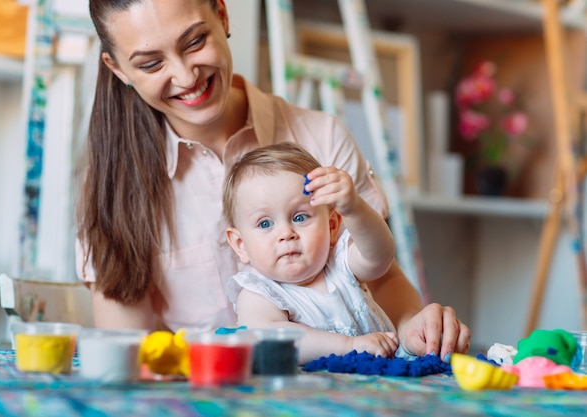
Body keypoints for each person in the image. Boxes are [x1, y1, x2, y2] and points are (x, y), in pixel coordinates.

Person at [77, 0, 470, 362]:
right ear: (118, 69)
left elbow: (380, 275)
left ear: (223, 15)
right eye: (150, 64)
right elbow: (127, 352)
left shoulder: (321, 137)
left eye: (194, 41)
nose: (185, 75)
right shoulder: (115, 185)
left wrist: (414, 327)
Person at [224, 142, 401, 363]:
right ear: (240, 244)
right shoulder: (259, 294)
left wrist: (354, 208)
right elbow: (269, 339)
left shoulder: (339, 264)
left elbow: (380, 256)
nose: (286, 234)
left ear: (332, 226)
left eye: (300, 217)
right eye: (265, 223)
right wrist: (350, 346)